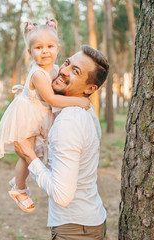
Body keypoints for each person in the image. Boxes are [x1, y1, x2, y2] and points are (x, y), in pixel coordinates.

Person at [0, 19, 90, 213]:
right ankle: (19, 189)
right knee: (26, 154)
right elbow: (52, 99)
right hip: (28, 115)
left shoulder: (54, 70)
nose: (45, 51)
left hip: (41, 115)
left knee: (38, 153)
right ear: (30, 53)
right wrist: (78, 101)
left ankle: (32, 179)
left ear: (58, 49)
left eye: (49, 46)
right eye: (38, 47)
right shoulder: (38, 74)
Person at [14, 45, 109, 239]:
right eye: (67, 63)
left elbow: (62, 195)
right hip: (85, 222)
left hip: (74, 229)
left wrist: (29, 156)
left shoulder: (69, 120)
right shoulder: (83, 109)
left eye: (75, 71)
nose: (64, 71)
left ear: (90, 88)